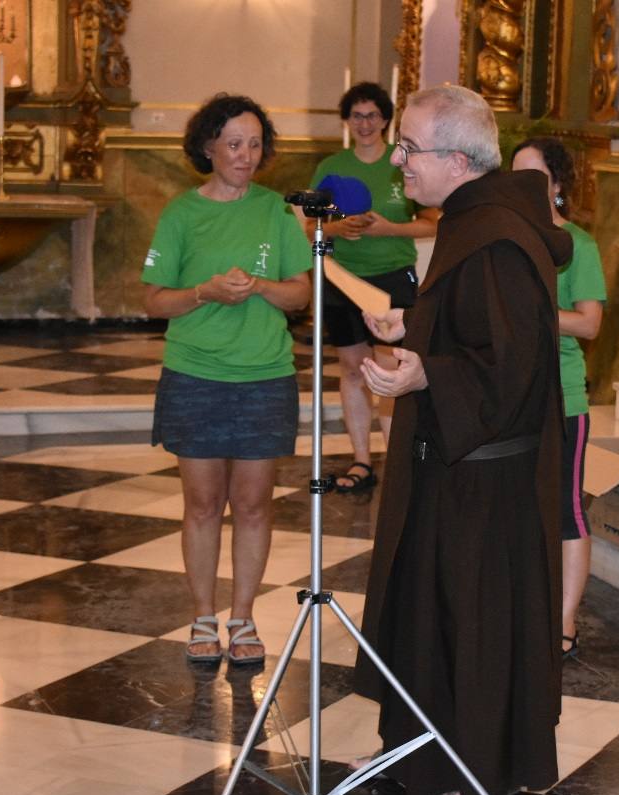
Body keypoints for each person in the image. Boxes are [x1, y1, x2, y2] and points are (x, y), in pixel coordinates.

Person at [354, 85, 573, 795]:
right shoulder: (471, 220)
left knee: (468, 637)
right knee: (440, 632)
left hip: (481, 493)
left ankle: (463, 775)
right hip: (457, 477)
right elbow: (477, 331)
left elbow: (510, 373)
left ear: (455, 157)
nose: (398, 161)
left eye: (409, 148)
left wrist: (426, 375)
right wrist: (414, 332)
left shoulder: (496, 238)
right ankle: (432, 763)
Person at [142, 94, 311, 666]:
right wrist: (204, 293)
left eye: (255, 144)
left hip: (265, 376)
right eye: (234, 144)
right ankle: (201, 617)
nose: (245, 155)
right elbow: (153, 301)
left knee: (255, 503)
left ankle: (242, 618)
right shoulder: (181, 214)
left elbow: (302, 291)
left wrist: (262, 286)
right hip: (196, 374)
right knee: (202, 504)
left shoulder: (276, 211)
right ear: (208, 147)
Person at [310, 81, 439, 492]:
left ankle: (396, 460)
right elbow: (309, 226)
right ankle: (361, 461)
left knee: (387, 370)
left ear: (386, 120)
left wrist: (388, 229)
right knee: (352, 370)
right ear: (347, 121)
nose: (365, 123)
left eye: (372, 115)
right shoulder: (332, 166)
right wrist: (336, 227)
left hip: (390, 277)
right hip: (342, 277)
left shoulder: (402, 163)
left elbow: (433, 221)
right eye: (356, 115)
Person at [511, 137, 606, 660]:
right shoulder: (503, 239)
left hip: (560, 397)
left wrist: (531, 312)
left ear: (559, 185)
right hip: (510, 396)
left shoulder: (579, 245)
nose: (523, 188)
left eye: (535, 177)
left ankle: (564, 621)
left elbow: (589, 323)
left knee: (564, 510)